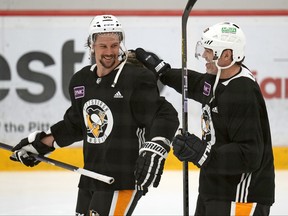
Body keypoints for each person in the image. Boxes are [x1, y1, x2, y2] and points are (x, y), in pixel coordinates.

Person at [10, 15, 179, 215]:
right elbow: (76, 124)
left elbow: (165, 114)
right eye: (103, 47)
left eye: (114, 46)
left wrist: (156, 148)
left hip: (123, 177)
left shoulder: (136, 78)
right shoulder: (81, 80)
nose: (109, 52)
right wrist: (39, 144)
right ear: (91, 45)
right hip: (90, 176)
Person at [135, 21, 275, 215]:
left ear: (227, 54)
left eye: (209, 51)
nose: (204, 55)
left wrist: (204, 153)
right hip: (215, 188)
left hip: (240, 196)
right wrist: (163, 72)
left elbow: (250, 154)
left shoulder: (242, 92)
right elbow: (194, 84)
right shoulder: (218, 78)